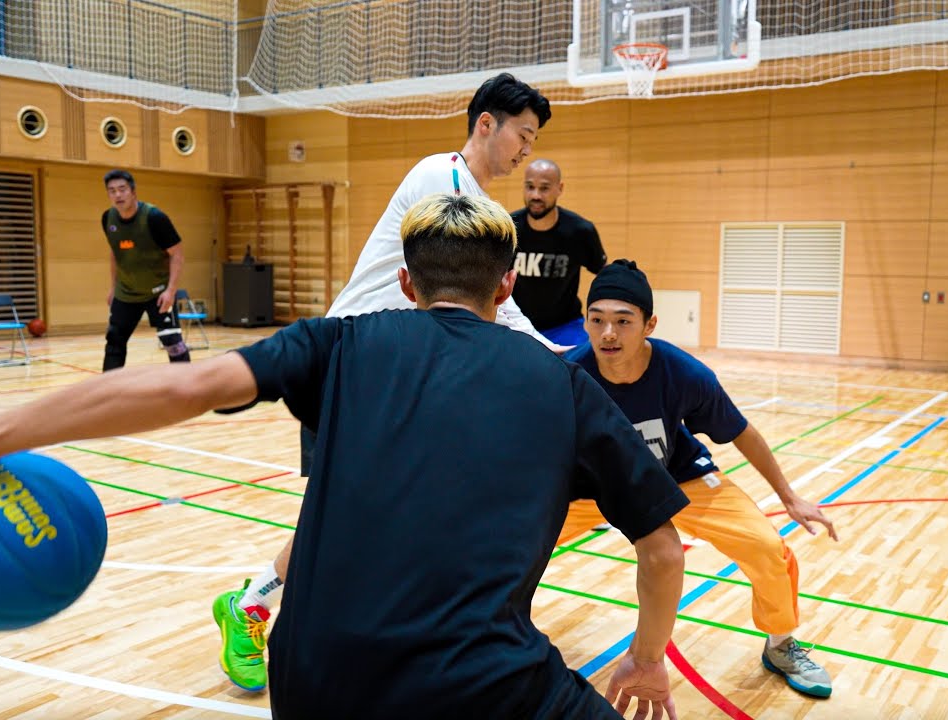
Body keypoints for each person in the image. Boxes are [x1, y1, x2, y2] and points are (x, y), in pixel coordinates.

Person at [0, 193, 689, 720]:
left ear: (407, 283)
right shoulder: (565, 387)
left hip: (316, 679)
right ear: (507, 285)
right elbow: (660, 547)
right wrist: (648, 661)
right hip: (483, 684)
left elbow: (184, 388)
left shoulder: (336, 343)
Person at [208, 74, 564, 691]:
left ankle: (277, 605)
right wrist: (554, 357)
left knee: (378, 510)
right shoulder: (442, 181)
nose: (525, 151)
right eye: (523, 136)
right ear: (487, 124)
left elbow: (494, 304)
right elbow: (495, 307)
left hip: (407, 374)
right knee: (341, 512)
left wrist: (550, 353)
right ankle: (254, 606)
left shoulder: (474, 200)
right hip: (355, 367)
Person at [560, 259, 839, 699]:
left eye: (622, 321)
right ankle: (490, 633)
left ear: (648, 324)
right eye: (597, 321)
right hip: (591, 486)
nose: (608, 333)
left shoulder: (683, 373)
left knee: (767, 547)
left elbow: (741, 432)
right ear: (585, 322)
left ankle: (781, 643)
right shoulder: (569, 376)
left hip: (677, 477)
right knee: (511, 543)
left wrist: (789, 497)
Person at [100, 170, 190, 372]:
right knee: (114, 341)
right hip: (126, 293)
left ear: (133, 191)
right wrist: (113, 288)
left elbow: (177, 254)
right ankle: (109, 390)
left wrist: (171, 291)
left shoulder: (155, 217)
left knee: (172, 341)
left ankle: (186, 384)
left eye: (122, 189)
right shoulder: (108, 219)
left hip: (158, 292)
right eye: (112, 191)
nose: (118, 195)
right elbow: (115, 253)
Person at [510, 159, 606, 346]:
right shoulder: (508, 227)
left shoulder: (580, 231)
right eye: (530, 187)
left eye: (544, 188)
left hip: (566, 325)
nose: (535, 195)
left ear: (559, 188)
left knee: (580, 369)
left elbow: (603, 273)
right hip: (517, 325)